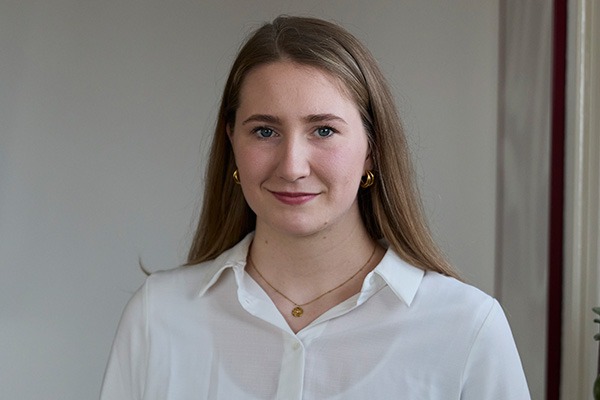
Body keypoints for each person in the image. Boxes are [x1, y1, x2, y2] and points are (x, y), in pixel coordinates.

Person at [100, 15, 530, 399]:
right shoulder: (158, 316)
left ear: (371, 149)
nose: (292, 167)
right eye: (265, 131)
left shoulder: (466, 327)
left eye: (323, 130)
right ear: (231, 142)